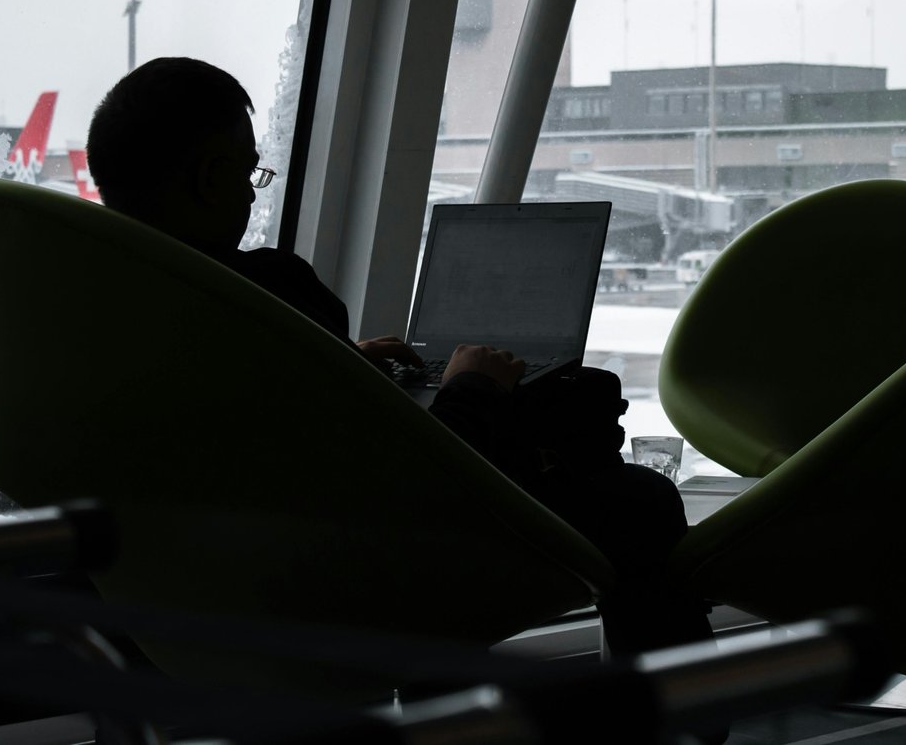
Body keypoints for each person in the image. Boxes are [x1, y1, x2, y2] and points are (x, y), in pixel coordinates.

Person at [84, 57, 713, 660]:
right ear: (209, 178)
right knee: (640, 499)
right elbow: (417, 494)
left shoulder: (95, 307)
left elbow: (250, 421)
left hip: (188, 578)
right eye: (249, 173)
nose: (253, 195)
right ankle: (685, 717)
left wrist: (339, 364)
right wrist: (471, 388)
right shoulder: (267, 292)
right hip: (342, 579)